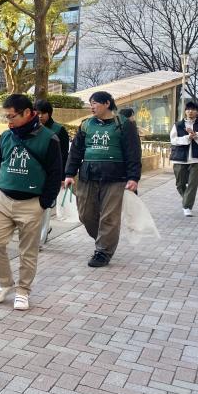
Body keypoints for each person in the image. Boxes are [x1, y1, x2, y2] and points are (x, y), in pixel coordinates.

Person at [0, 94, 63, 310]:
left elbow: (56, 174)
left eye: (12, 116)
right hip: (3, 199)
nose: (8, 121)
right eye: (6, 116)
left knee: (28, 251)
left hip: (31, 203)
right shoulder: (5, 137)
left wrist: (44, 203)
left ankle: (23, 290)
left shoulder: (49, 138)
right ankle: (4, 283)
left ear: (28, 113)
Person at [64, 91, 141, 267]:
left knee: (109, 217)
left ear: (107, 103)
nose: (92, 106)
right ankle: (105, 238)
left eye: (95, 103)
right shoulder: (85, 125)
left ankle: (103, 252)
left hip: (115, 178)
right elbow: (75, 151)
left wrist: (133, 177)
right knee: (85, 215)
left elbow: (133, 152)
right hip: (87, 175)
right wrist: (69, 174)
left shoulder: (124, 125)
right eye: (90, 103)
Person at [35, 99, 70, 246]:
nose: (40, 116)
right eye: (37, 113)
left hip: (51, 175)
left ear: (49, 114)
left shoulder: (59, 130)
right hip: (35, 175)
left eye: (43, 113)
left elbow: (64, 155)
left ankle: (40, 239)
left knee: (47, 207)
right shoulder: (32, 128)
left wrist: (63, 177)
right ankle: (41, 232)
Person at [170, 101, 198, 216]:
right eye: (188, 109)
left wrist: (196, 134)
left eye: (193, 109)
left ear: (197, 112)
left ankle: (187, 206)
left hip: (196, 159)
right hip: (179, 158)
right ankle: (186, 200)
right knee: (180, 184)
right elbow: (173, 140)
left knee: (193, 184)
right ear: (185, 111)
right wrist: (188, 137)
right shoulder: (177, 125)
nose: (190, 111)